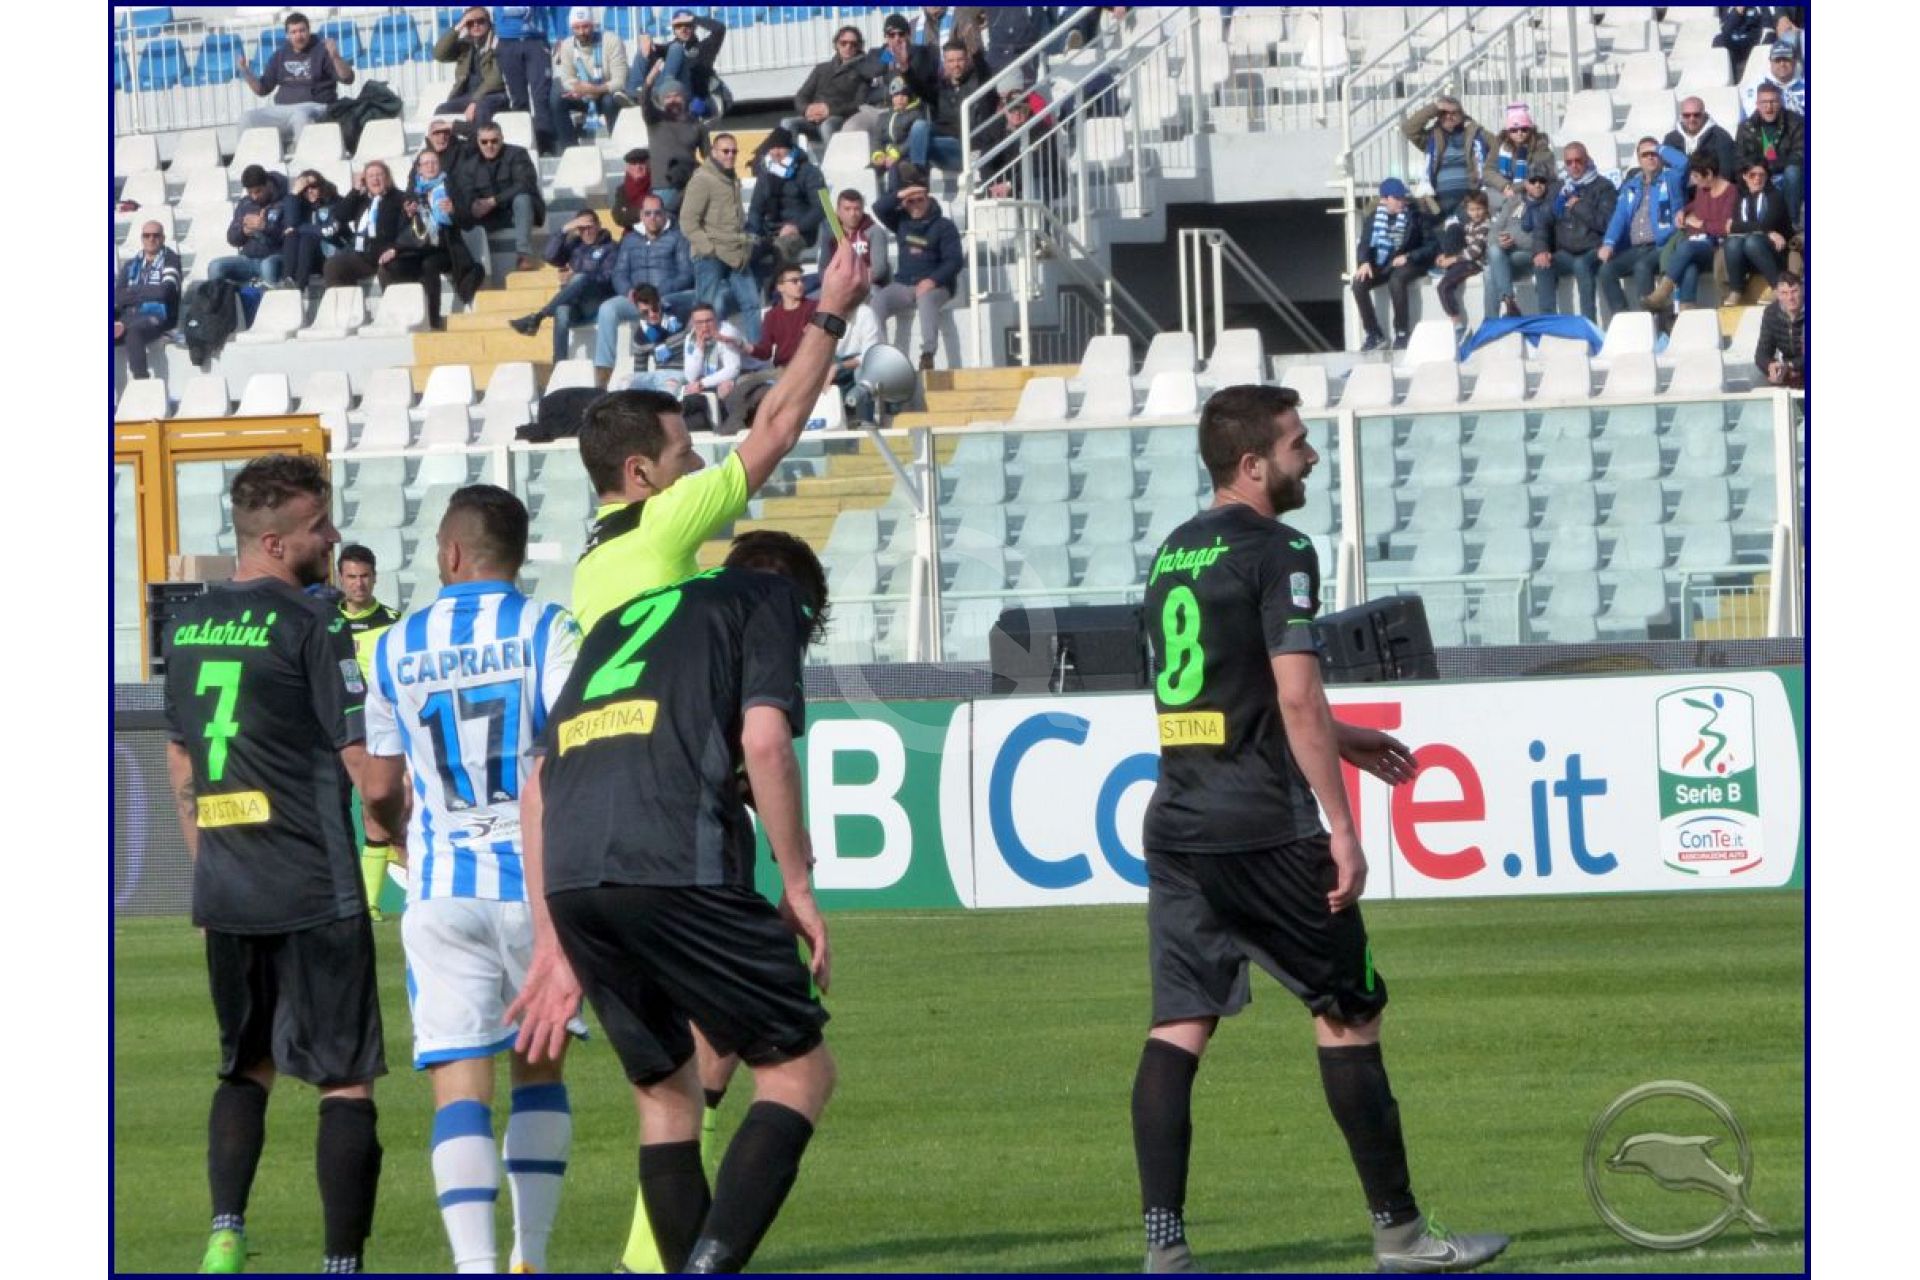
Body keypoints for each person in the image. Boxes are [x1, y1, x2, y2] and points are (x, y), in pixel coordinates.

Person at [1130, 384, 1508, 1277]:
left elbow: (1234, 692)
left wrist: (1344, 735)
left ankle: (1163, 1248)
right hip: (1265, 827)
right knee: (1349, 1014)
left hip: (1179, 823)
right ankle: (1401, 1236)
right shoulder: (1282, 549)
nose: (1311, 456)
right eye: (1298, 443)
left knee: (1178, 1025)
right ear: (1253, 464)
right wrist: (1340, 824)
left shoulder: (1173, 552)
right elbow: (1294, 692)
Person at [553, 242, 869, 1273]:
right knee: (795, 1067)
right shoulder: (662, 525)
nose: (701, 466)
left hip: (585, 833)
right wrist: (829, 315)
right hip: (674, 817)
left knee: (672, 1088)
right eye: (687, 453)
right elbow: (776, 429)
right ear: (641, 473)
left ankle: (654, 1261)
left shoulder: (592, 577)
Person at [508, 530, 835, 1275]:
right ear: (805, 606)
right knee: (798, 1073)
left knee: (667, 1097)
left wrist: (552, 941)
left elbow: (537, 789)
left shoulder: (620, 619)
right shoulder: (772, 597)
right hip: (673, 863)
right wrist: (797, 888)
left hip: (574, 880)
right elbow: (766, 743)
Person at [162, 454, 385, 1275]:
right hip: (314, 884)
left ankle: (225, 1232)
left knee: (244, 1068)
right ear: (274, 541)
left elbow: (181, 764)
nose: (332, 538)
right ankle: (339, 1264)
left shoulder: (186, 626)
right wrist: (396, 826)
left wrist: (208, 867)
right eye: (318, 527)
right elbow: (363, 765)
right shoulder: (314, 624)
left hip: (228, 886)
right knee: (345, 1081)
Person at [358, 485, 584, 1274]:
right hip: (537, 889)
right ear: (515, 556)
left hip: (441, 885)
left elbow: (379, 786)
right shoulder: (548, 628)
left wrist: (392, 828)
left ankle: (476, 1268)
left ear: (451, 553)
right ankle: (533, 1256)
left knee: (459, 1089)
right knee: (539, 1072)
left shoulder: (393, 646)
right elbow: (572, 746)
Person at [336, 542, 403, 923]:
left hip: (376, 727)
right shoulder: (326, 620)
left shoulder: (393, 621)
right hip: (331, 726)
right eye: (351, 577)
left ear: (375, 578)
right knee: (331, 811)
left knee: (373, 807)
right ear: (340, 579)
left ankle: (370, 904)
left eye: (364, 576)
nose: (358, 584)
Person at [594, 194, 697, 389]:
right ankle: (602, 378)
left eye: (657, 213)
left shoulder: (678, 238)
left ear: (664, 215)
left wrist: (659, 291)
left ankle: (669, 366)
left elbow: (686, 274)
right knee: (607, 309)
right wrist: (628, 290)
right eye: (648, 213)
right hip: (637, 299)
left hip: (665, 297)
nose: (652, 218)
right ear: (641, 216)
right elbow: (619, 273)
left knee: (669, 304)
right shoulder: (629, 240)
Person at [872, 166, 962, 371]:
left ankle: (927, 354)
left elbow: (954, 261)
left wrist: (932, 280)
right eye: (910, 201)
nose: (915, 205)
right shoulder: (901, 221)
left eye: (920, 199)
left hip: (937, 285)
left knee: (926, 298)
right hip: (905, 284)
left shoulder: (944, 226)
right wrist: (902, 194)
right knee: (878, 301)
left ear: (928, 199)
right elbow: (879, 208)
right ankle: (883, 352)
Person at [682, 133, 762, 344]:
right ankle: (705, 352)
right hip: (711, 255)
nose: (730, 155)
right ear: (714, 152)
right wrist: (708, 248)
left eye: (734, 151)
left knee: (752, 303)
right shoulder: (702, 179)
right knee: (708, 309)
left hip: (736, 252)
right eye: (725, 151)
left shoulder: (731, 177)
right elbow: (688, 221)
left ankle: (756, 353)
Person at [511, 212, 620, 365]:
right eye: (581, 228)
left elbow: (608, 278)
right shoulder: (574, 246)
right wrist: (565, 229)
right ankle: (559, 364)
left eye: (589, 227)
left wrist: (578, 276)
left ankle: (539, 316)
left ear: (598, 225)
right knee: (561, 311)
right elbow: (548, 256)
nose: (586, 232)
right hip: (574, 302)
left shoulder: (611, 247)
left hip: (596, 301)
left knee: (580, 278)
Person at [1597, 139, 1686, 322]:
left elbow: (1683, 163)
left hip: (1662, 245)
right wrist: (1609, 243)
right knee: (1606, 270)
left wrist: (1660, 148)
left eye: (1654, 154)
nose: (1651, 157)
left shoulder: (1671, 179)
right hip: (1635, 247)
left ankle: (1650, 320)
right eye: (1646, 155)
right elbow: (1620, 217)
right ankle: (1623, 318)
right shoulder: (1631, 186)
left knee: (1642, 267)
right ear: (1639, 160)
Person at [721, 266, 818, 432]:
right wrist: (741, 344)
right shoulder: (772, 315)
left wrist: (817, 330)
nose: (800, 284)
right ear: (780, 287)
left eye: (802, 280)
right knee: (742, 382)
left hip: (805, 369)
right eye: (794, 281)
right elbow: (765, 352)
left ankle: (738, 427)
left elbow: (833, 331)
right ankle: (739, 425)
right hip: (781, 369)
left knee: (759, 391)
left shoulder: (814, 307)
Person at [235, 11, 355, 144]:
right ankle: (248, 157)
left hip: (316, 106)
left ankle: (303, 155)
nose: (298, 36)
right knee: (247, 118)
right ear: (287, 35)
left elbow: (348, 78)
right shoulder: (279, 55)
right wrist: (245, 71)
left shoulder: (323, 51)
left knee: (300, 116)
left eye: (302, 31)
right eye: (293, 32)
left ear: (309, 31)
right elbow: (262, 89)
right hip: (282, 109)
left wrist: (335, 57)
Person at [1643, 151, 1735, 314]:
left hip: (1716, 246)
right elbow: (1696, 205)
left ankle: (1663, 292)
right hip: (1698, 243)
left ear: (1709, 174)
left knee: (1687, 248)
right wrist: (1683, 211)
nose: (1693, 180)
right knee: (1689, 264)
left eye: (1696, 176)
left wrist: (1701, 224)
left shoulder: (1730, 192)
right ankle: (1687, 307)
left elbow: (1726, 227)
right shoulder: (1703, 189)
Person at [1534, 141, 1617, 322]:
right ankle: (1548, 322)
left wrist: (1579, 207)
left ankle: (1588, 324)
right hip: (1566, 252)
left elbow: (1607, 223)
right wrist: (1541, 249)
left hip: (1593, 249)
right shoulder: (1558, 189)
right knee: (1542, 264)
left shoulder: (1603, 187)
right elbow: (1543, 222)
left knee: (1581, 265)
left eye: (1578, 160)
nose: (1574, 166)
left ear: (1587, 160)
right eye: (1569, 162)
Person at [1349, 177, 1434, 352]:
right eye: (1397, 198)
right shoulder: (1373, 218)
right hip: (1383, 264)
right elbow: (1364, 243)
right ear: (1384, 199)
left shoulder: (1415, 216)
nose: (1402, 201)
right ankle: (1374, 334)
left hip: (1410, 262)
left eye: (1403, 197)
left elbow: (1432, 245)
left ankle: (1402, 333)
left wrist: (1408, 256)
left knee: (1396, 280)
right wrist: (1364, 262)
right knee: (1358, 283)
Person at [449, 121, 547, 274]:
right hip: (491, 216)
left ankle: (524, 255)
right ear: (478, 142)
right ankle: (467, 268)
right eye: (484, 142)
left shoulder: (517, 154)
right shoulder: (470, 165)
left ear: (502, 138)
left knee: (522, 198)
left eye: (494, 141)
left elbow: (525, 183)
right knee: (457, 212)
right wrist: (473, 205)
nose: (489, 145)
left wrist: (494, 201)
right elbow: (466, 191)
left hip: (519, 212)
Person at [746, 128, 828, 285]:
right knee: (746, 248)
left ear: (790, 149)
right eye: (773, 148)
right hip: (769, 230)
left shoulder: (809, 172)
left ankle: (780, 291)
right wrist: (753, 232)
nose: (776, 152)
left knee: (781, 247)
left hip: (800, 232)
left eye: (781, 148)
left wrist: (797, 227)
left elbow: (822, 207)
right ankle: (755, 292)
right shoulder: (765, 172)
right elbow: (755, 208)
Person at [784, 25, 877, 153]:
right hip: (813, 118)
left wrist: (829, 111)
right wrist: (807, 110)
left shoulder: (863, 72)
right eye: (843, 43)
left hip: (840, 118)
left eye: (853, 44)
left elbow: (859, 103)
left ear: (859, 46)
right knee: (787, 124)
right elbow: (801, 95)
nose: (848, 47)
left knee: (827, 125)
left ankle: (835, 162)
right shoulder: (821, 69)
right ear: (836, 45)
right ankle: (795, 161)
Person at [1400, 95, 1489, 222]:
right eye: (1444, 113)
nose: (1449, 116)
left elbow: (1493, 145)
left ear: (1461, 115)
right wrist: (1435, 107)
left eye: (1453, 113)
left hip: (1468, 195)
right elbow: (1409, 128)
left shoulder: (1475, 134)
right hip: (1441, 196)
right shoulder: (1432, 138)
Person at [552, 6, 631, 149]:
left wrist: (595, 89)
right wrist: (579, 88)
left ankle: (620, 146)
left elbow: (620, 81)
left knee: (610, 101)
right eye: (577, 28)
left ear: (593, 25)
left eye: (585, 26)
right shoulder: (567, 46)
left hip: (607, 92)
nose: (581, 32)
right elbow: (567, 79)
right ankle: (570, 149)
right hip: (583, 94)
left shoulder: (611, 41)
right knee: (557, 98)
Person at [207, 165, 296, 287]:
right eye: (250, 192)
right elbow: (232, 238)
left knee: (267, 266)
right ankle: (221, 298)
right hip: (248, 259)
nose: (254, 196)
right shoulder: (245, 204)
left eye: (258, 191)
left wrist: (265, 227)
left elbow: (291, 237)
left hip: (277, 257)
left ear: (267, 185)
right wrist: (243, 232)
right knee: (215, 266)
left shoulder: (286, 202)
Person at [322, 161, 405, 292]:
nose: (375, 179)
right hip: (363, 255)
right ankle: (346, 303)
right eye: (370, 176)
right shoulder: (361, 199)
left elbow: (405, 229)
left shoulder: (399, 198)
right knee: (334, 265)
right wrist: (355, 190)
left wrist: (395, 249)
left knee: (388, 269)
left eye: (379, 175)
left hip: (389, 254)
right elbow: (340, 215)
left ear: (387, 178)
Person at [631, 11, 729, 120]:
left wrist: (693, 19)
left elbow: (720, 29)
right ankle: (635, 92)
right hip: (667, 91)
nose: (683, 29)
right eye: (678, 26)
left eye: (687, 25)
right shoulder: (670, 48)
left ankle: (657, 93)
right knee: (645, 49)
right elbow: (653, 51)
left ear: (694, 26)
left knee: (676, 48)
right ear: (674, 30)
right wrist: (647, 41)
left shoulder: (705, 47)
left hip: (690, 95)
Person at [115, 221, 181, 380]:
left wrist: (133, 291)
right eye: (147, 235)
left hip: (159, 316)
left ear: (163, 238)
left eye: (156, 235)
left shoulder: (171, 261)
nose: (151, 239)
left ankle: (142, 382)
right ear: (142, 238)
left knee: (134, 332)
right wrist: (147, 291)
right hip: (130, 315)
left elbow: (164, 292)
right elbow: (118, 295)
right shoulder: (132, 264)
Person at [1722, 157, 1793, 303]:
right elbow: (1732, 230)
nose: (1757, 179)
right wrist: (1767, 231)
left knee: (1752, 241)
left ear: (1767, 176)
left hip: (1774, 252)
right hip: (1748, 254)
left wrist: (1738, 226)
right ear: (1744, 176)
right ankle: (1736, 290)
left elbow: (1766, 224)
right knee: (1732, 243)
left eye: (1761, 175)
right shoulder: (1741, 198)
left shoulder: (1774, 196)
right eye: (1752, 175)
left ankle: (1777, 287)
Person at [1483, 171, 1553, 318]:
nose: (1538, 185)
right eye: (1533, 181)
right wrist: (1500, 240)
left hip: (1529, 255)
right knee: (1491, 262)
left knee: (1492, 268)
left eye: (1542, 181)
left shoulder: (1548, 204)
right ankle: (1507, 303)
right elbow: (1493, 231)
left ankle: (1494, 319)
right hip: (1506, 255)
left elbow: (1541, 238)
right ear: (1526, 184)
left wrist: (1513, 240)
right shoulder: (1513, 202)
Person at [1734, 83, 1804, 223]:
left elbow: (1801, 153)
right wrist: (1759, 171)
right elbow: (1739, 158)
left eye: (1773, 102)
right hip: (1759, 174)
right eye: (1764, 102)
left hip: (1786, 174)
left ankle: (1793, 222)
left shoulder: (1796, 122)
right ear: (1757, 104)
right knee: (1744, 173)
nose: (1769, 107)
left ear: (1781, 102)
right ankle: (1751, 223)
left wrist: (1770, 168)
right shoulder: (1746, 127)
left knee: (1793, 172)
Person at [639, 80, 712, 214]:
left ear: (684, 98)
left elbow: (710, 157)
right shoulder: (655, 120)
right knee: (666, 222)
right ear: (661, 101)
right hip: (664, 186)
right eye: (668, 97)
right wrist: (648, 83)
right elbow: (645, 103)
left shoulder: (698, 125)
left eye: (677, 95)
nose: (673, 100)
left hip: (690, 184)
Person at [920, 40, 992, 177]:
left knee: (923, 143)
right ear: (945, 63)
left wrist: (977, 55)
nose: (956, 65)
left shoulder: (976, 82)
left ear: (967, 60)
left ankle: (918, 177)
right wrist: (906, 70)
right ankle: (917, 176)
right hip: (946, 145)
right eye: (951, 61)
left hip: (969, 148)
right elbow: (920, 90)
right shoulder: (941, 88)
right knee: (919, 127)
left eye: (960, 60)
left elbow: (985, 75)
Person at [492, 6, 556, 154]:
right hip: (507, 41)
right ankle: (522, 146)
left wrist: (560, 35)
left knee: (541, 97)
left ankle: (546, 145)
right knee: (518, 99)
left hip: (536, 39)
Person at [433, 7, 510, 126]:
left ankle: (479, 138)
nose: (475, 25)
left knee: (481, 108)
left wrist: (475, 101)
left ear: (489, 23)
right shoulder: (466, 45)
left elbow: (496, 80)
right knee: (442, 111)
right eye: (470, 22)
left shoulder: (499, 42)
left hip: (495, 94)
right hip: (468, 96)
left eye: (480, 21)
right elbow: (439, 54)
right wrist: (458, 27)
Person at [811, 190, 893, 298]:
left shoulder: (875, 231)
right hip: (837, 286)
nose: (853, 214)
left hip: (868, 286)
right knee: (811, 301)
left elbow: (878, 270)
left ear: (862, 209)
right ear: (838, 211)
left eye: (857, 209)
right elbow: (823, 268)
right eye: (847, 209)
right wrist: (835, 284)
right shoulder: (830, 233)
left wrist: (853, 282)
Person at [1432, 190, 1490, 341]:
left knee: (1443, 286)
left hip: (1475, 263)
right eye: (1472, 209)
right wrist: (1446, 255)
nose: (1476, 213)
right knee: (1453, 228)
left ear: (1485, 208)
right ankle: (1458, 326)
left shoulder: (1486, 226)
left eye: (1479, 209)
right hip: (1464, 260)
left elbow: (1474, 252)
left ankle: (1458, 325)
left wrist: (1452, 260)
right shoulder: (1469, 225)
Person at [283, 170, 347, 292]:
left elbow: (330, 230)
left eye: (313, 187)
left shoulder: (335, 202)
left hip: (329, 254)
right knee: (291, 236)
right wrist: (294, 194)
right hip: (306, 258)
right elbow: (291, 224)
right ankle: (288, 279)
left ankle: (299, 286)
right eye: (304, 189)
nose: (309, 191)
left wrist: (301, 228)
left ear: (322, 186)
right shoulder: (299, 204)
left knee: (307, 238)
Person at [870, 76, 931, 193]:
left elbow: (912, 140)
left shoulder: (916, 115)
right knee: (869, 170)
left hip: (905, 156)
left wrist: (896, 153)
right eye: (896, 95)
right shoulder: (883, 117)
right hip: (886, 155)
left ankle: (893, 197)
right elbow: (877, 138)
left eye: (904, 95)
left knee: (895, 169)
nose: (900, 99)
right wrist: (878, 154)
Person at [1663, 96, 1738, 184]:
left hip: (1710, 188)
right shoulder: (1671, 139)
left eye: (1696, 115)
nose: (1692, 119)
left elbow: (1727, 173)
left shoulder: (1721, 137)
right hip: (1679, 189)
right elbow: (1666, 169)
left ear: (1704, 114)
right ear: (1681, 116)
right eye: (1687, 115)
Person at [1484, 103, 1552, 197]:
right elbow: (1488, 171)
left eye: (1524, 129)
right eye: (1514, 130)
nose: (1519, 133)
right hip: (1504, 190)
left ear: (1530, 130)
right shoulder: (1500, 145)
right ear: (1508, 132)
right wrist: (1504, 186)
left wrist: (1515, 188)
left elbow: (1541, 174)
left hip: (1531, 192)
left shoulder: (1540, 146)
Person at [1754, 271, 1804, 388]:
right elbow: (1762, 353)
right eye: (1784, 293)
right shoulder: (1771, 313)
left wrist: (1790, 365)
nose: (1790, 298)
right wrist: (1770, 366)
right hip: (1788, 372)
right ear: (1777, 294)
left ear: (1802, 290)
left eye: (1794, 291)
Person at [1742, 36, 1807, 116]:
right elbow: (1755, 118)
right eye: (1777, 60)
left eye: (1786, 59)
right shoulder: (1755, 87)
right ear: (1770, 62)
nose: (1782, 64)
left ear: (1794, 61)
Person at [1713, 7, 1769, 82]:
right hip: (1733, 42)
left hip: (1752, 41)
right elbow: (1725, 30)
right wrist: (1737, 12)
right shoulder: (1728, 8)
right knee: (1718, 40)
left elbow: (1768, 29)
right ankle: (1723, 80)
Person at [610, 148, 656, 232]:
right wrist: (642, 213)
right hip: (632, 233)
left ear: (649, 164)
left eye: (642, 163)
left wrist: (630, 212)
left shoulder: (656, 186)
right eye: (634, 163)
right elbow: (618, 217)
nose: (638, 167)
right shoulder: (622, 190)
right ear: (628, 168)